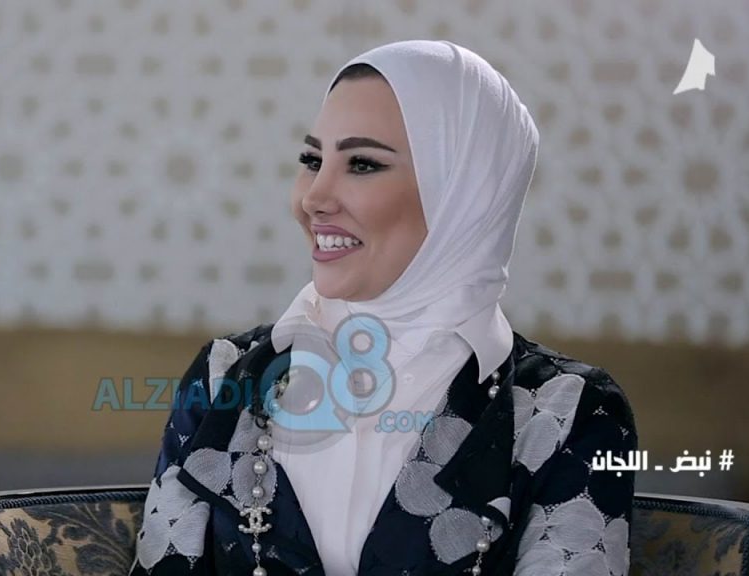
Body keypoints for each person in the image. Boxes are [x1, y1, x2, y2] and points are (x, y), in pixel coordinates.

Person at [130, 39, 637, 576]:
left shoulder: (565, 412)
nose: (313, 198)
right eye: (312, 160)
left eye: (362, 164)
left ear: (463, 193)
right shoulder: (223, 375)